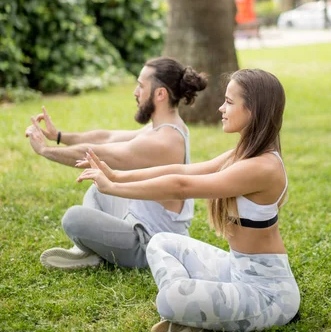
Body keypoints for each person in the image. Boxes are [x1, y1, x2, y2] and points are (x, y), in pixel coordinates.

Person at [77, 68, 300, 332]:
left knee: (169, 301)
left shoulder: (262, 167)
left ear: (253, 109)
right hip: (235, 270)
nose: (221, 107)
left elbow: (182, 185)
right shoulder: (244, 153)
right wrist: (117, 175)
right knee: (160, 243)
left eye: (229, 102)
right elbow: (186, 170)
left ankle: (194, 313)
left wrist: (114, 188)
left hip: (267, 295)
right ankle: (200, 314)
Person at [25, 57, 207, 271]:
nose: (135, 92)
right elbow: (108, 137)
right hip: (138, 221)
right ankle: (90, 253)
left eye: (141, 85)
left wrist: (45, 150)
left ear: (160, 94)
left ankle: (93, 252)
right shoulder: (166, 128)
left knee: (73, 218)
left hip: (152, 246)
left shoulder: (164, 141)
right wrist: (59, 136)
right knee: (98, 191)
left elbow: (98, 153)